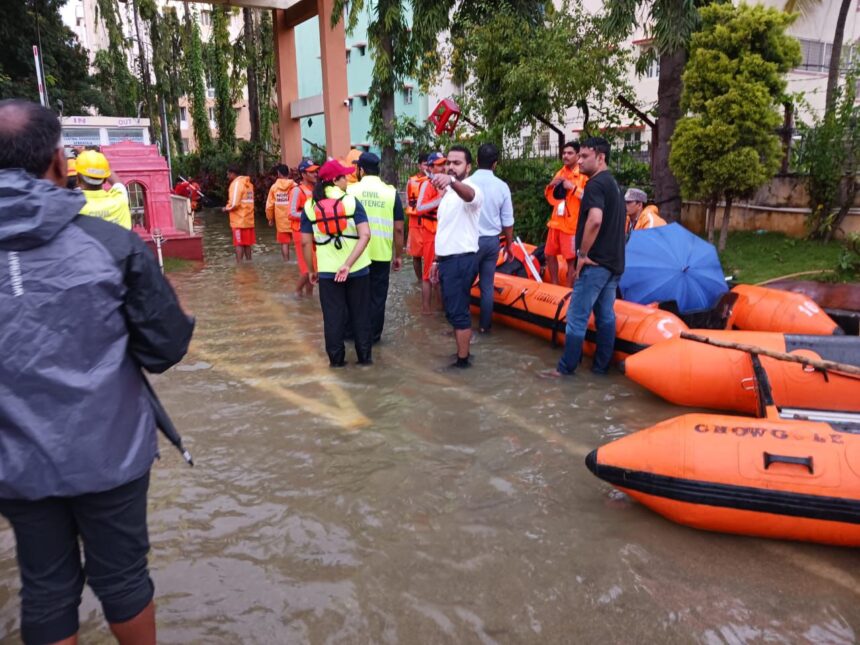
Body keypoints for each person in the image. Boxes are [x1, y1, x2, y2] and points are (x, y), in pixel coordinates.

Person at [0, 99, 194, 645]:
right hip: (108, 450)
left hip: (14, 459)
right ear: (60, 162)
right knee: (124, 576)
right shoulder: (111, 244)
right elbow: (166, 346)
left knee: (44, 585)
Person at [543, 137, 626, 378]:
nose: (580, 161)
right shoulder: (613, 184)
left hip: (595, 263)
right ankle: (601, 368)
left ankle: (565, 369)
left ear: (601, 157)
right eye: (579, 156)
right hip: (614, 262)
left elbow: (596, 219)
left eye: (585, 157)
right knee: (605, 315)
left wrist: (582, 254)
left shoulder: (595, 185)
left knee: (577, 317)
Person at [301, 159, 373, 366]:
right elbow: (365, 235)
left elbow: (306, 243)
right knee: (360, 316)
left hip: (327, 273)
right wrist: (349, 264)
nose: (348, 179)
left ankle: (337, 363)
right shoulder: (351, 202)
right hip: (358, 271)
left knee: (332, 318)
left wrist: (311, 270)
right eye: (344, 176)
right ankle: (365, 361)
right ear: (335, 180)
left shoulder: (310, 206)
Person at [428, 145, 484, 368]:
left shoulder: (471, 188)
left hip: (461, 260)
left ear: (468, 167)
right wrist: (435, 260)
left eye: (457, 163)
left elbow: (470, 197)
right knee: (453, 309)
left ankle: (463, 362)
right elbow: (444, 229)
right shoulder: (449, 195)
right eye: (449, 162)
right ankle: (463, 354)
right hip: (448, 260)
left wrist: (451, 182)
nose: (451, 167)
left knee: (459, 312)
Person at [347, 152, 405, 343]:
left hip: (355, 255)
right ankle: (373, 337)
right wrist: (399, 255)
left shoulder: (351, 191)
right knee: (377, 298)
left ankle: (353, 335)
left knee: (355, 296)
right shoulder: (390, 192)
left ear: (361, 169)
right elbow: (398, 228)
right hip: (381, 255)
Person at [468, 142, 514, 333]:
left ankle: (461, 328)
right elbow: (508, 221)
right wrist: (509, 245)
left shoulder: (466, 183)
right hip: (492, 242)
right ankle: (485, 328)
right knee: (487, 287)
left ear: (476, 160)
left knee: (463, 284)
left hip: (469, 241)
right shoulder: (502, 187)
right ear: (495, 164)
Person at [544, 141, 588, 287]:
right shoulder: (560, 172)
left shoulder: (583, 176)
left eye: (569, 153)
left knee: (570, 261)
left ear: (577, 156)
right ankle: (555, 285)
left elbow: (588, 197)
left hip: (571, 226)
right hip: (555, 223)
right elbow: (550, 196)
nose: (565, 156)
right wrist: (551, 185)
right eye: (564, 153)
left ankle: (568, 291)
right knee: (549, 255)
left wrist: (572, 188)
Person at [415, 151, 447, 314]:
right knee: (428, 274)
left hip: (445, 235)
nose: (443, 167)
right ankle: (426, 311)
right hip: (430, 235)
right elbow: (419, 208)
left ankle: (441, 310)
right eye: (440, 164)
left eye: (444, 164)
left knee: (442, 275)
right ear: (431, 167)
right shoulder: (427, 185)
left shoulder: (448, 183)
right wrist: (439, 199)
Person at [76, 149, 132, 229]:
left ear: (78, 179)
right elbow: (118, 182)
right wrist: (98, 165)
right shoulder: (119, 200)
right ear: (105, 179)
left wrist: (85, 158)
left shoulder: (72, 207)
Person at [289, 159, 319, 296]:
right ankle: (296, 293)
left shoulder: (315, 189)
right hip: (300, 232)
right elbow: (291, 212)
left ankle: (308, 299)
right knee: (308, 269)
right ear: (303, 174)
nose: (315, 174)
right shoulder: (297, 190)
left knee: (314, 268)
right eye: (311, 172)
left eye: (315, 171)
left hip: (313, 233)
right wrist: (310, 215)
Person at [405, 152, 430, 281]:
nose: (427, 167)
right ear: (419, 165)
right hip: (414, 222)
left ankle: (429, 279)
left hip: (429, 222)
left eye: (429, 165)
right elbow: (407, 200)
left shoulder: (433, 181)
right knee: (416, 255)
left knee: (430, 253)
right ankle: (420, 281)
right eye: (425, 164)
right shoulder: (411, 181)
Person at [224, 165, 256, 262]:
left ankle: (240, 266)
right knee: (247, 244)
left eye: (228, 174)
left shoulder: (236, 184)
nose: (227, 177)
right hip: (249, 220)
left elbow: (234, 203)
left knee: (239, 244)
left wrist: (226, 208)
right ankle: (249, 265)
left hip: (239, 221)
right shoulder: (249, 184)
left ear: (233, 174)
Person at [265, 164, 297, 262]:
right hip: (294, 220)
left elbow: (269, 206)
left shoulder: (274, 188)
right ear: (288, 173)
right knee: (298, 242)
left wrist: (270, 218)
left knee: (284, 243)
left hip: (281, 222)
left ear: (278, 173)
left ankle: (286, 263)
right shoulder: (295, 186)